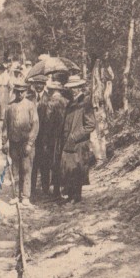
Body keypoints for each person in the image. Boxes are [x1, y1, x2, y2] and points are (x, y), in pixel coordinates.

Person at [2, 80, 39, 207]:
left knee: (26, 169)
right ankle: (16, 195)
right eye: (18, 92)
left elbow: (35, 125)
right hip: (14, 143)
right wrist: (4, 142)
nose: (20, 94)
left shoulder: (30, 105)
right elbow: (5, 126)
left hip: (26, 143)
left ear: (26, 92)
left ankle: (25, 196)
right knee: (15, 169)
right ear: (15, 92)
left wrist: (29, 143)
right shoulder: (10, 106)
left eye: (22, 92)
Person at [60, 75, 96, 204]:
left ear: (80, 87)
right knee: (69, 169)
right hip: (69, 142)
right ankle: (70, 196)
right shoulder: (71, 103)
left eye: (75, 87)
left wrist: (75, 136)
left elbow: (91, 125)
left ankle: (76, 196)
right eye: (71, 88)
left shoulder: (85, 103)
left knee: (77, 169)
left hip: (79, 144)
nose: (73, 90)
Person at [43, 81, 68, 198]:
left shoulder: (51, 103)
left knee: (54, 162)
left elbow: (47, 123)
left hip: (54, 137)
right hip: (65, 136)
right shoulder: (66, 102)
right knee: (63, 162)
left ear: (51, 91)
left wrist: (46, 138)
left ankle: (56, 190)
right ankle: (65, 189)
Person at [29, 76, 50, 194]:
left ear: (44, 84)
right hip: (32, 137)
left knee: (45, 165)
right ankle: (31, 190)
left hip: (44, 138)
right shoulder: (29, 98)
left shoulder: (49, 98)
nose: (38, 86)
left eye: (40, 84)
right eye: (36, 84)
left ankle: (46, 190)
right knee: (32, 164)